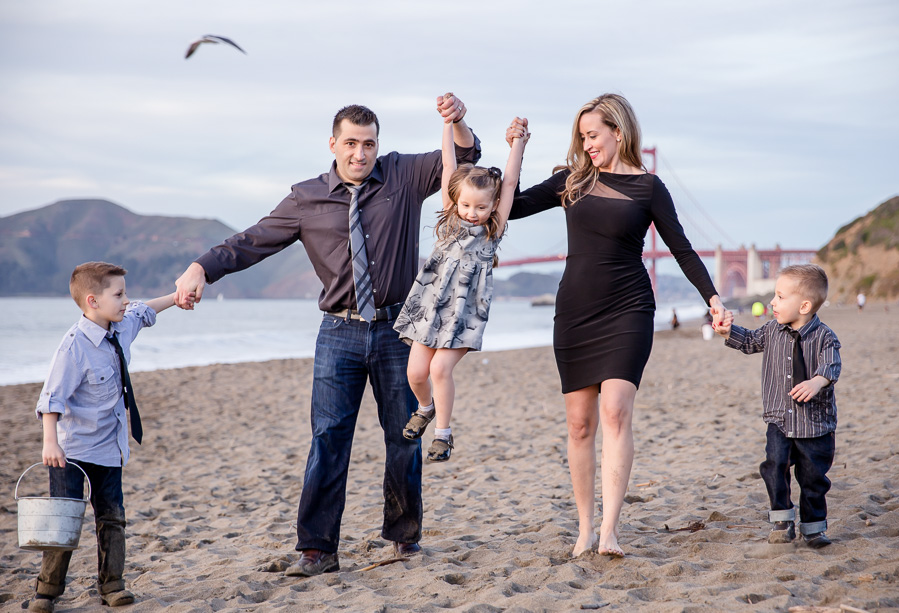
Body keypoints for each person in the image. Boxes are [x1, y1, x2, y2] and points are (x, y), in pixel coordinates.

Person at [173, 96, 480, 576]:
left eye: (370, 144)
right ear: (333, 144)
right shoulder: (305, 198)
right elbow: (249, 242)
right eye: (352, 143)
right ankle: (317, 548)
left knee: (403, 437)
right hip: (337, 330)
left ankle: (404, 538)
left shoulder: (402, 175)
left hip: (400, 329)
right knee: (328, 437)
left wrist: (457, 121)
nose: (361, 153)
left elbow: (463, 162)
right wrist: (200, 269)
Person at [505, 93, 726, 558]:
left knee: (615, 412)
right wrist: (517, 149)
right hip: (576, 312)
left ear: (618, 133)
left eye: (593, 135)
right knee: (580, 424)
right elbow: (510, 207)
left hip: (628, 308)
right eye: (581, 137)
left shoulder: (649, 188)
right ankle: (584, 529)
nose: (586, 144)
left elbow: (682, 249)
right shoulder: (569, 181)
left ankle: (609, 531)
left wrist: (712, 298)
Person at [29, 262, 177, 613]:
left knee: (112, 517)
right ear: (92, 301)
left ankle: (112, 585)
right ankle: (46, 592)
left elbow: (144, 311)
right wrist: (50, 441)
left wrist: (176, 297)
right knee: (63, 519)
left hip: (109, 448)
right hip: (72, 451)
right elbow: (52, 398)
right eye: (120, 294)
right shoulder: (73, 347)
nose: (127, 300)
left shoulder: (121, 327)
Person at [394, 100, 528, 463]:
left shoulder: (491, 230)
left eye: (481, 207)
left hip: (464, 310)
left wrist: (518, 143)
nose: (472, 212)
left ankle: (444, 434)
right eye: (467, 205)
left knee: (440, 369)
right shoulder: (452, 218)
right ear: (456, 201)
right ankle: (425, 408)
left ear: (491, 207)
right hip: (430, 304)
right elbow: (449, 165)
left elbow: (511, 182)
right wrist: (448, 121)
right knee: (416, 372)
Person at [713, 264, 840, 548]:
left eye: (780, 297)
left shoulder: (824, 336)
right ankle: (782, 519)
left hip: (814, 424)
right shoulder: (772, 329)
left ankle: (814, 527)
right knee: (775, 466)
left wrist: (817, 381)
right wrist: (727, 331)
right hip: (779, 419)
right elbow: (748, 341)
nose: (772, 302)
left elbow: (832, 365)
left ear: (804, 305)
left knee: (813, 478)